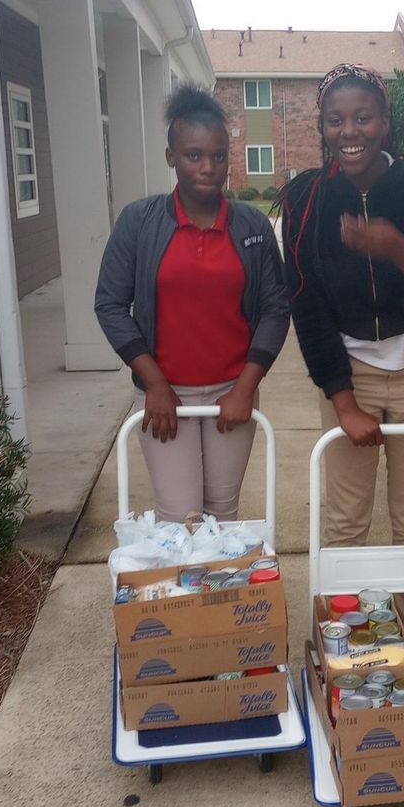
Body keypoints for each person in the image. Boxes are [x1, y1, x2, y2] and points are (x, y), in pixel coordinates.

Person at [280, 63, 404, 637]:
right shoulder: (307, 200)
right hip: (351, 372)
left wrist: (396, 248)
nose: (350, 132)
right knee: (346, 522)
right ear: (322, 126)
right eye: (335, 120)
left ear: (385, 121)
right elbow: (306, 307)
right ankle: (343, 646)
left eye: (362, 117)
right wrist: (343, 401)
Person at [95, 85, 289, 523]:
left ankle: (220, 576)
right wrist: (154, 384)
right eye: (193, 155)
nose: (208, 168)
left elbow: (276, 309)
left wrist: (246, 387)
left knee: (222, 515)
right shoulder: (139, 222)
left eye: (218, 156)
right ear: (171, 157)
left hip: (231, 392)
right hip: (166, 396)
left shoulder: (251, 226)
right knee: (180, 516)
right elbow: (110, 304)